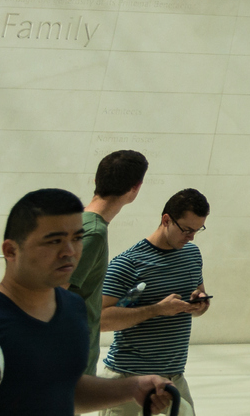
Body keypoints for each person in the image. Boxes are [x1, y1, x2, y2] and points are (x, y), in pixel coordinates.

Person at [0, 191, 172, 416]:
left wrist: (132, 387)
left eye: (77, 238)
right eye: (54, 241)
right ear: (11, 251)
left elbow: (65, 392)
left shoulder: (73, 307)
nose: (70, 252)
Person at [96, 190, 212, 416]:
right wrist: (157, 310)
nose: (191, 237)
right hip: (129, 379)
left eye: (197, 230)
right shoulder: (127, 263)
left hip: (173, 377)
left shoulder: (191, 254)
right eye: (187, 230)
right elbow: (100, 320)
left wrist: (199, 305)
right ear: (166, 220)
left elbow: (198, 298)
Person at [71, 154, 146, 378]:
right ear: (135, 188)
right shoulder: (93, 232)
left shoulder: (79, 221)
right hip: (69, 363)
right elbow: (53, 296)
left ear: (96, 181)